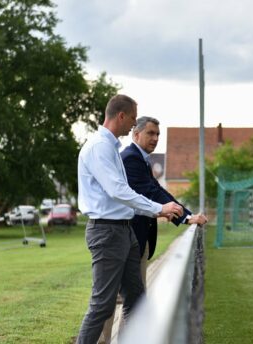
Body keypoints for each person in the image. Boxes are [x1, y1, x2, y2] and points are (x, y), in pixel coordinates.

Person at [76, 94, 183, 344]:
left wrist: (160, 209)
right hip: (107, 233)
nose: (134, 125)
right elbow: (118, 191)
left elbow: (127, 193)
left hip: (125, 232)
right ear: (121, 116)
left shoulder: (112, 147)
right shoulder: (99, 147)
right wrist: (159, 209)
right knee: (102, 306)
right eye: (133, 120)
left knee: (136, 299)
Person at [99, 116, 208, 343]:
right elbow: (150, 192)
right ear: (135, 134)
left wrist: (187, 215)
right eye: (150, 133)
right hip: (125, 238)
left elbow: (158, 189)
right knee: (111, 302)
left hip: (137, 240)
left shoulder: (142, 160)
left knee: (134, 301)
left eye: (158, 134)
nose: (156, 138)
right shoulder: (130, 158)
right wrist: (186, 218)